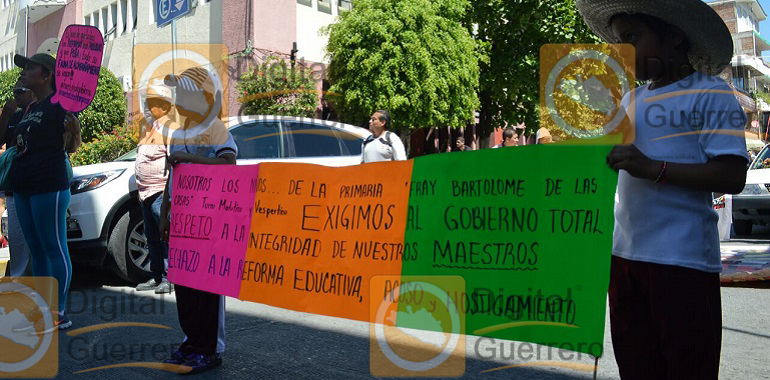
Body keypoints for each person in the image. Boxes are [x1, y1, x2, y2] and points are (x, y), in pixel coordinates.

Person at [577, 1, 748, 379]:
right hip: (623, 259)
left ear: (674, 35)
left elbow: (731, 174)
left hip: (681, 260)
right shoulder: (630, 100)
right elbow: (612, 166)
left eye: (633, 38)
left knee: (687, 366)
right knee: (636, 366)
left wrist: (655, 169)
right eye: (620, 41)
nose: (623, 52)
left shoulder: (710, 93)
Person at [159, 66, 237, 375]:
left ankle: (210, 349)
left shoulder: (215, 128)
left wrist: (191, 159)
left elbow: (228, 164)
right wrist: (165, 215)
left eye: (185, 91)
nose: (179, 97)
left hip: (210, 221)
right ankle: (191, 341)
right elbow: (172, 179)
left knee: (208, 288)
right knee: (185, 287)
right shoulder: (177, 133)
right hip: (182, 223)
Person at [8, 53, 81, 332]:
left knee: (54, 247)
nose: (24, 72)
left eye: (30, 67)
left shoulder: (60, 104)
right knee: (36, 249)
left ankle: (59, 311)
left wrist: (72, 128)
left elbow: (72, 144)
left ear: (47, 74)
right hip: (24, 186)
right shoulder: (31, 107)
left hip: (49, 185)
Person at [134, 83, 175, 294]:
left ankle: (171, 278)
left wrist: (168, 195)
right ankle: (157, 276)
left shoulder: (169, 129)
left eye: (154, 103)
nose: (149, 108)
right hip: (145, 193)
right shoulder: (148, 128)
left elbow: (173, 163)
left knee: (166, 235)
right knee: (151, 237)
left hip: (160, 192)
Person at [0, 81, 36, 277]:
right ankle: (19, 278)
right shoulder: (13, 116)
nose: (15, 95)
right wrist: (5, 116)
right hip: (15, 188)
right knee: (17, 237)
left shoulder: (40, 112)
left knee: (39, 237)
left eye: (19, 91)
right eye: (13, 91)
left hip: (39, 186)